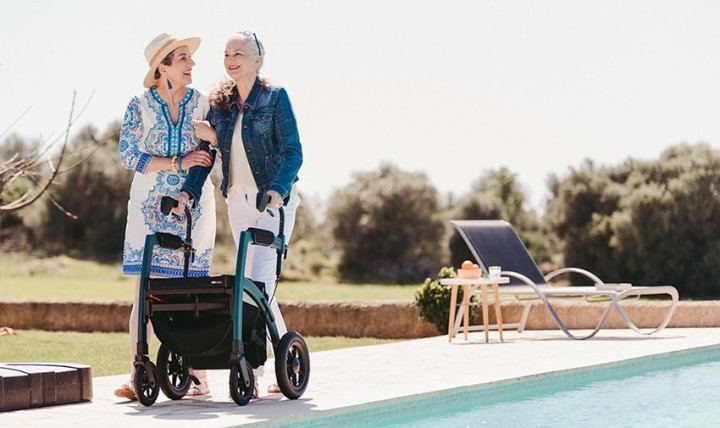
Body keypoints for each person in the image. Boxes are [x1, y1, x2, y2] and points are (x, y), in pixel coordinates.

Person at [176, 31, 303, 396]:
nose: (231, 59)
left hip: (272, 202)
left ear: (258, 59)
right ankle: (286, 356)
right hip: (237, 201)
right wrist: (187, 192)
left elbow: (293, 152)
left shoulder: (275, 98)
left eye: (239, 54)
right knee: (252, 285)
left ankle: (257, 366)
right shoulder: (221, 104)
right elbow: (205, 157)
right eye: (227, 53)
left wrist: (277, 190)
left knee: (257, 284)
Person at [114, 33, 216, 400]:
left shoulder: (204, 104)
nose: (192, 65)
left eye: (191, 58)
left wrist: (208, 145)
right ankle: (137, 373)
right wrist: (178, 161)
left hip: (193, 209)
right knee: (145, 292)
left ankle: (198, 376)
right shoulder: (138, 105)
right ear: (163, 66)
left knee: (191, 291)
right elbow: (128, 157)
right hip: (147, 210)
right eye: (184, 58)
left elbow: (210, 153)